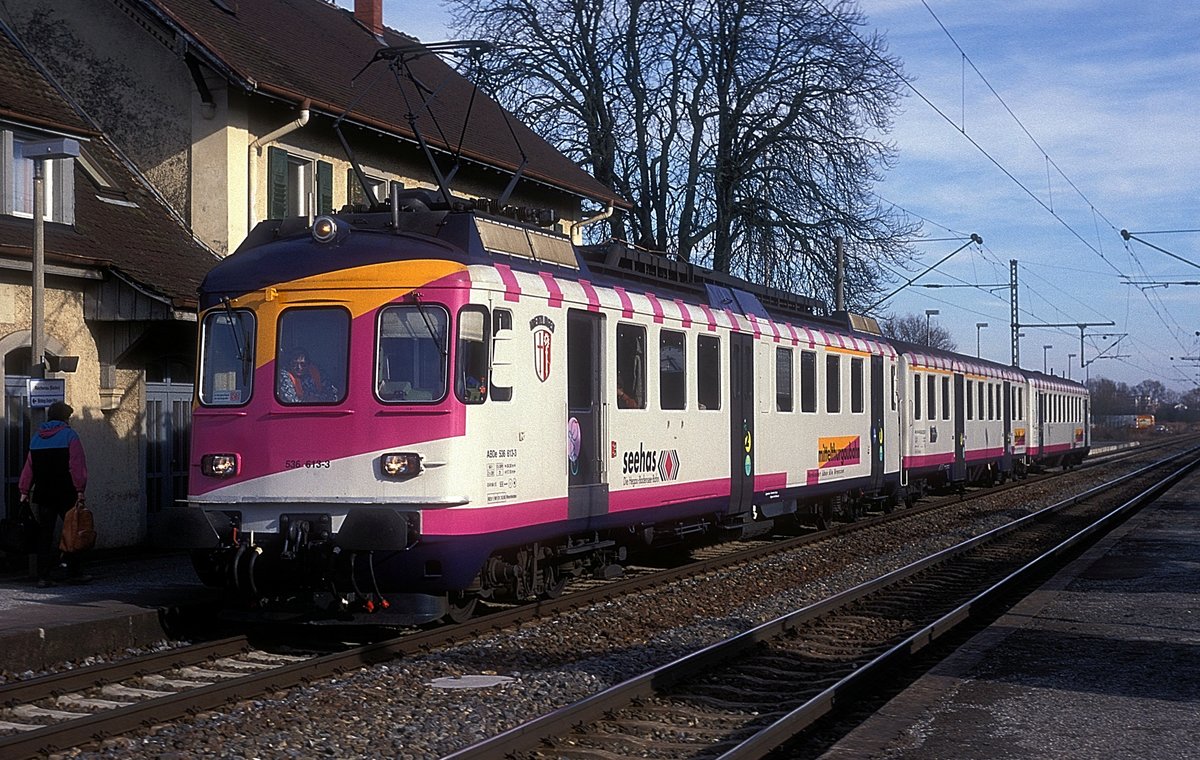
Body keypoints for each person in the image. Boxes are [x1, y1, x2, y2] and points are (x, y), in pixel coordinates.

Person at [18, 400, 89, 587]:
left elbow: (29, 468)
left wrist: (24, 491)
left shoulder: (37, 438)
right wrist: (80, 490)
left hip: (43, 493)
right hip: (66, 493)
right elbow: (77, 466)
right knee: (72, 532)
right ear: (64, 418)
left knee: (45, 534)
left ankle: (43, 576)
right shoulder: (70, 436)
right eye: (68, 417)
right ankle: (74, 572)